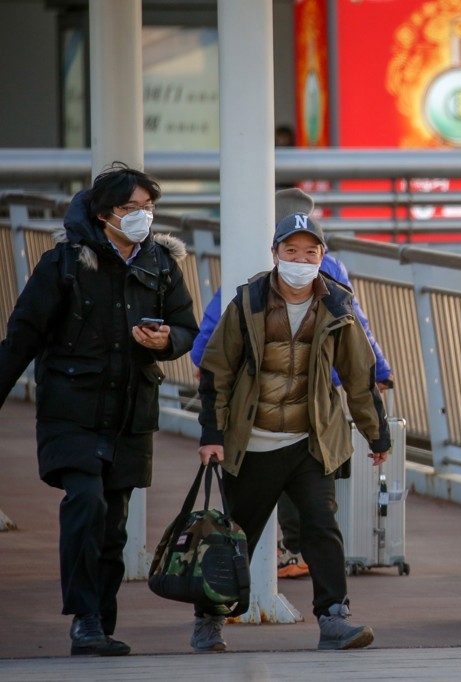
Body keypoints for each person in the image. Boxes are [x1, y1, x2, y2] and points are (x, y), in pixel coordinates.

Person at [0, 163, 199, 656]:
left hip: (131, 410)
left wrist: (166, 339)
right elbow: (23, 334)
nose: (141, 218)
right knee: (85, 503)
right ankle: (84, 618)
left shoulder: (162, 265)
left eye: (148, 209)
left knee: (115, 523)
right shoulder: (64, 263)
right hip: (72, 408)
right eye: (131, 208)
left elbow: (187, 329)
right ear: (104, 212)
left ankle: (101, 623)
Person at [194, 212, 390, 652]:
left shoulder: (337, 304)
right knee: (235, 536)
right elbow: (216, 370)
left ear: (322, 257)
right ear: (276, 254)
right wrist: (213, 434)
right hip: (253, 443)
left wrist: (376, 436)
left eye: (310, 252)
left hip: (310, 442)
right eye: (291, 251)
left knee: (322, 527)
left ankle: (335, 618)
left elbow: (359, 375)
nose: (300, 259)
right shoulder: (248, 302)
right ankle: (209, 618)